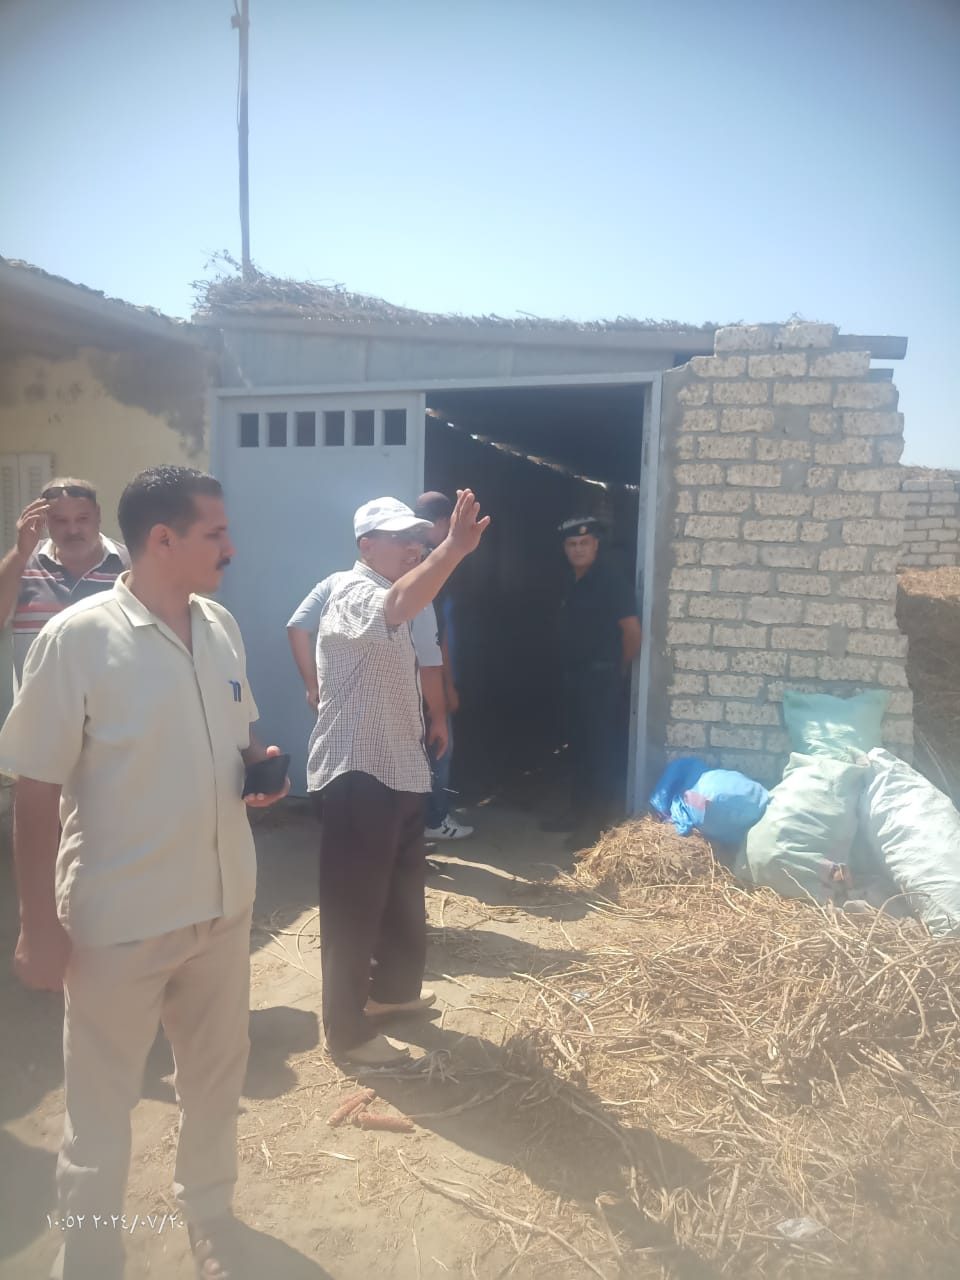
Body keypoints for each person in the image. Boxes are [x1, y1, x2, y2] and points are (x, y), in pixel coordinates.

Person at [0, 465, 289, 1280]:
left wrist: (260, 766)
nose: (231, 548)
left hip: (222, 907)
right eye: (215, 533)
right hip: (119, 918)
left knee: (215, 1081)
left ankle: (210, 1217)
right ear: (162, 539)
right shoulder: (78, 639)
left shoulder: (220, 626)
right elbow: (34, 788)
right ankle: (90, 1248)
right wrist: (37, 926)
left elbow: (238, 736)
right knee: (100, 1106)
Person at [308, 492, 489, 1066]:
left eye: (418, 537)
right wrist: (452, 550)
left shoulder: (398, 594)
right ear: (366, 546)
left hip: (397, 765)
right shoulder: (352, 590)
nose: (414, 546)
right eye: (400, 538)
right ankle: (345, 1030)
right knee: (354, 906)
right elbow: (397, 604)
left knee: (401, 895)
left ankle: (391, 993)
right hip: (357, 770)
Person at [542, 516, 642, 848]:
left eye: (584, 543)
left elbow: (632, 632)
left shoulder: (610, 581)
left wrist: (618, 670)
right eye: (572, 544)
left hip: (600, 679)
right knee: (578, 748)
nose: (578, 549)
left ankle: (594, 826)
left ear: (595, 545)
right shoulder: (571, 580)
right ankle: (576, 813)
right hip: (573, 677)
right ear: (564, 548)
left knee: (599, 752)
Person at [0, 478, 129, 685]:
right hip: (39, 703)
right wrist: (20, 553)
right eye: (61, 520)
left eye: (82, 519)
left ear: (98, 515)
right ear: (45, 520)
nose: (73, 530)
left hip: (112, 702)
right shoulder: (23, 563)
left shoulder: (129, 566)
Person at [414, 492, 473, 842]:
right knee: (439, 747)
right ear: (440, 523)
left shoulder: (405, 560)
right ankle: (435, 819)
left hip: (405, 676)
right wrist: (448, 687)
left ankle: (417, 821)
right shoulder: (432, 567)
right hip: (426, 677)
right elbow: (436, 640)